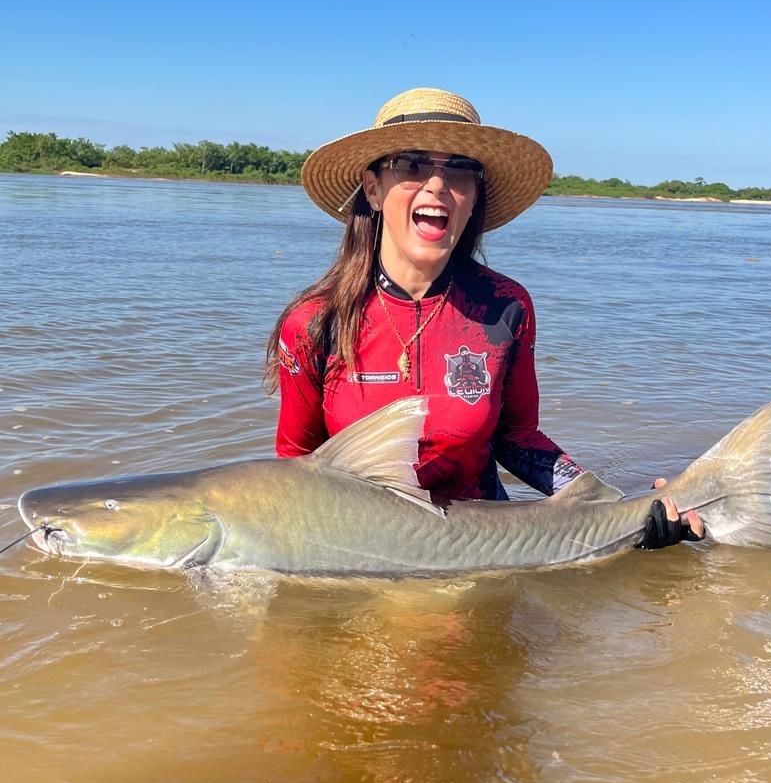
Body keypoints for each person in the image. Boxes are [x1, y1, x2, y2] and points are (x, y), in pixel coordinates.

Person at [267, 87, 702, 547]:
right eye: (411, 165)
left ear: (474, 197)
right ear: (374, 189)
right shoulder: (313, 322)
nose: (437, 184)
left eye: (460, 170)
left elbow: (518, 438)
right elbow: (297, 465)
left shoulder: (505, 306)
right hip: (365, 545)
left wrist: (614, 508)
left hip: (488, 541)